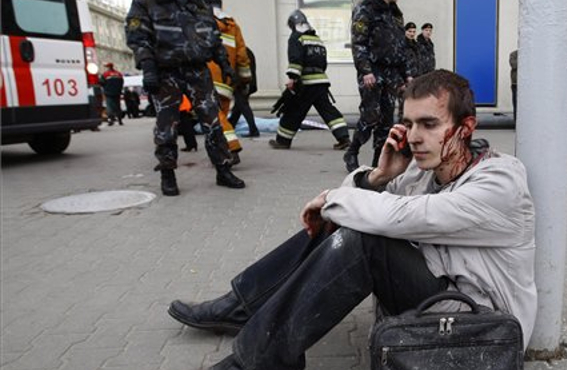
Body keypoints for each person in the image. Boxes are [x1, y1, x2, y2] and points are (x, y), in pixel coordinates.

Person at [167, 70, 537, 370]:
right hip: (437, 297)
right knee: (350, 220)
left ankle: (258, 361)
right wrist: (378, 177)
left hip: (479, 326)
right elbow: (366, 209)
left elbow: (408, 216)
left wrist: (332, 199)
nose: (414, 137)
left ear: (466, 127)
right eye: (408, 124)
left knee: (365, 236)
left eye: (428, 124)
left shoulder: (500, 181)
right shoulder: (425, 172)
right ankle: (245, 305)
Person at [126, 0, 245, 196]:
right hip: (165, 71)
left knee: (213, 121)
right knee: (167, 125)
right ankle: (168, 173)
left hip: (198, 69)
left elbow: (213, 35)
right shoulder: (146, 2)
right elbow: (137, 35)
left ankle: (223, 170)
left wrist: (224, 63)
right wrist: (147, 66)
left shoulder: (199, 3)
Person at [268, 10, 351, 150]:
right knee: (328, 111)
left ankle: (282, 141)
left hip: (306, 83)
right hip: (321, 82)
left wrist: (292, 78)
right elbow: (323, 63)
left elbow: (295, 60)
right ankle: (343, 137)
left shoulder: (296, 38)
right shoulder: (317, 39)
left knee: (294, 110)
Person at [343, 0, 410, 172]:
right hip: (372, 71)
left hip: (392, 73)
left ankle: (378, 161)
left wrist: (406, 75)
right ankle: (352, 151)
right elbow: (359, 43)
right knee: (371, 115)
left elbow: (401, 46)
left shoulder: (395, 13)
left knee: (386, 119)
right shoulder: (366, 8)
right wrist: (365, 70)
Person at [207, 0, 252, 165]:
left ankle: (231, 148)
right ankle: (222, 151)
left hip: (207, 76)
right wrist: (245, 78)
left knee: (215, 117)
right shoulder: (233, 25)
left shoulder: (203, 21)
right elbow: (242, 55)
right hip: (226, 79)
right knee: (221, 115)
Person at [228, 47, 259, 138]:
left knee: (243, 105)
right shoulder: (247, 51)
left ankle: (253, 129)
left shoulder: (240, 52)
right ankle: (231, 124)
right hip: (246, 82)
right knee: (239, 105)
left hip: (241, 83)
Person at [396, 21, 420, 123]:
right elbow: (397, 64)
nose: (412, 34)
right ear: (405, 32)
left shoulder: (415, 45)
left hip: (415, 80)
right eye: (410, 31)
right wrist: (400, 82)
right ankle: (401, 129)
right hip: (404, 81)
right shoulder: (401, 45)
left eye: (414, 32)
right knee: (403, 107)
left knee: (414, 106)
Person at [509, 49, 518, 122]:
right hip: (516, 84)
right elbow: (513, 65)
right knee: (516, 104)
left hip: (527, 87)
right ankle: (516, 123)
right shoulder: (513, 54)